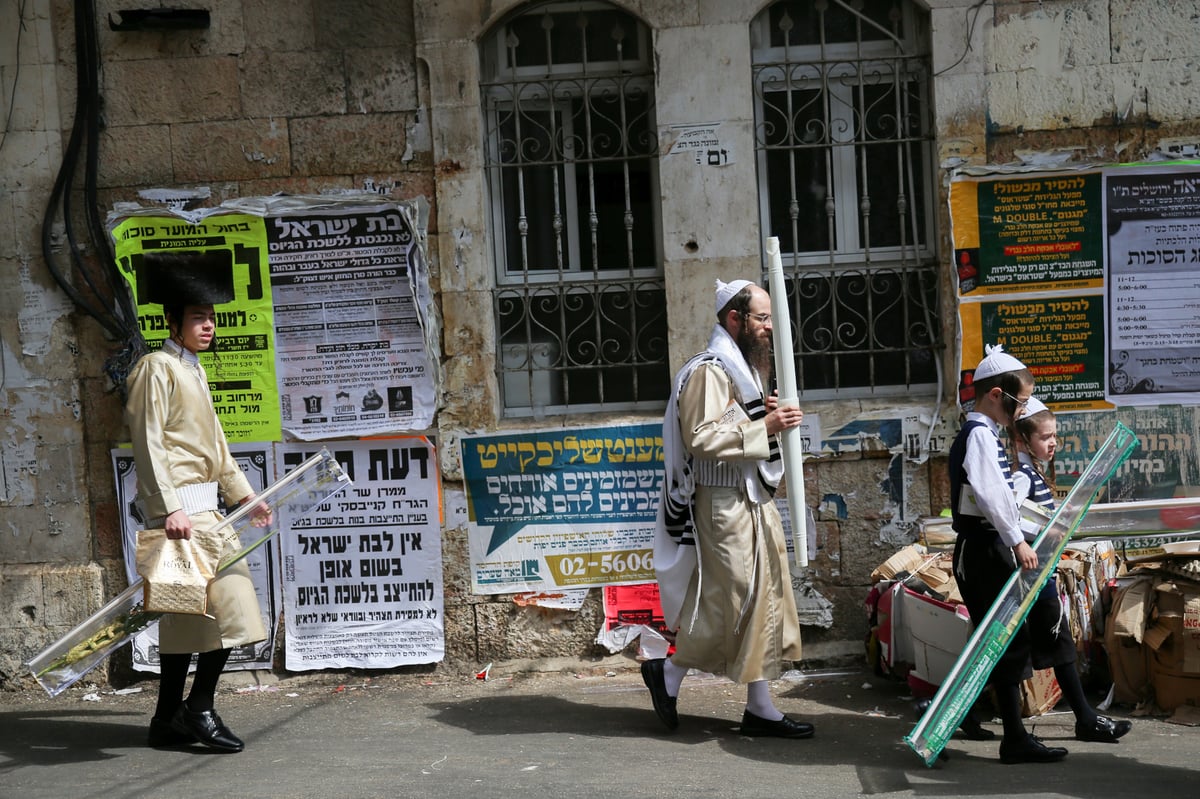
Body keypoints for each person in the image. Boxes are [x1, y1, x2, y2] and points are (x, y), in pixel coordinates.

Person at [643, 278, 812, 739]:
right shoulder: (708, 370)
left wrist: (765, 417)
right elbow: (701, 437)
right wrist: (767, 425)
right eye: (761, 318)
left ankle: (759, 705)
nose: (768, 328)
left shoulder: (741, 370)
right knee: (732, 602)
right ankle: (670, 673)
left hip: (750, 498)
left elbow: (735, 421)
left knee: (766, 598)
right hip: (722, 502)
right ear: (734, 320)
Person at [125, 250, 271, 754]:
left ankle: (170, 717)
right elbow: (148, 441)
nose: (207, 325)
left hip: (208, 512)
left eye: (210, 317)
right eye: (196, 317)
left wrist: (245, 496)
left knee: (218, 615)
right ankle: (197, 708)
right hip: (180, 517)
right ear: (173, 322)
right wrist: (168, 510)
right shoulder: (156, 367)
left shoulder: (195, 370)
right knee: (194, 620)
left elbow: (218, 447)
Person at [949, 344, 1067, 764]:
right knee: (1003, 640)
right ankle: (1013, 738)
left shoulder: (985, 432)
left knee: (1003, 640)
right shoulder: (980, 434)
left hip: (988, 547)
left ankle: (1009, 733)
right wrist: (1016, 540)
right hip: (986, 550)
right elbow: (993, 495)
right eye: (1018, 401)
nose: (1022, 410)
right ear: (996, 395)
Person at [1008, 397, 1132, 746]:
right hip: (1033, 580)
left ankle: (1085, 718)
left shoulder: (1031, 474)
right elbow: (1010, 520)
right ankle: (1086, 719)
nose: (1053, 444)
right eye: (1045, 437)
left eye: (1054, 437)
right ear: (1022, 440)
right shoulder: (1021, 478)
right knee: (1057, 648)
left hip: (1040, 577)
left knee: (1022, 652)